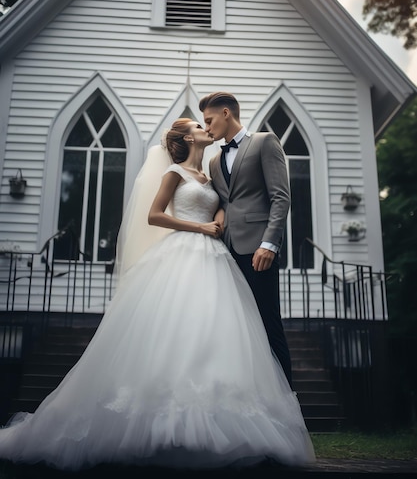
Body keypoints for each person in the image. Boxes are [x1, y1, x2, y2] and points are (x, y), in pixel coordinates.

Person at [0, 119, 314, 472]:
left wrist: (222, 216)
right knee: (171, 326)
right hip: (181, 253)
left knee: (211, 331)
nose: (205, 127)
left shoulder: (211, 175)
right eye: (199, 124)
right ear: (185, 138)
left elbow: (223, 203)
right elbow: (154, 215)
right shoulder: (174, 174)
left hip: (214, 259)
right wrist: (200, 227)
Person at [199, 92, 293, 386]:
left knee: (267, 323)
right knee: (237, 329)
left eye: (210, 120)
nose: (207, 128)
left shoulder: (264, 142)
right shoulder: (214, 161)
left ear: (226, 113)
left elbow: (280, 196)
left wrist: (269, 244)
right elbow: (224, 203)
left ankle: (288, 403)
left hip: (258, 249)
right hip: (226, 252)